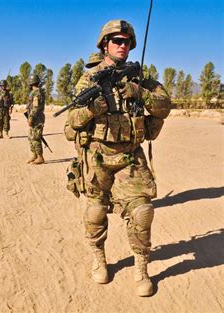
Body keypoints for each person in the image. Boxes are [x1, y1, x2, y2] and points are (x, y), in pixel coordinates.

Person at [65, 20, 171, 297]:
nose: (122, 46)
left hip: (130, 157)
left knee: (142, 212)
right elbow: (71, 122)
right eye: (116, 41)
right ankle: (99, 259)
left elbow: (164, 107)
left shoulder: (139, 76)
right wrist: (90, 111)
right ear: (104, 44)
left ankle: (141, 267)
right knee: (96, 212)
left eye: (126, 41)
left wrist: (141, 93)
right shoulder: (88, 79)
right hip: (97, 157)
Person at [26, 74, 45, 165]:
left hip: (37, 119)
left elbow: (35, 108)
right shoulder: (34, 92)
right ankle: (34, 155)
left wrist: (31, 118)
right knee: (30, 137)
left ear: (30, 83)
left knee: (36, 138)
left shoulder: (37, 93)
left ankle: (40, 157)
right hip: (34, 117)